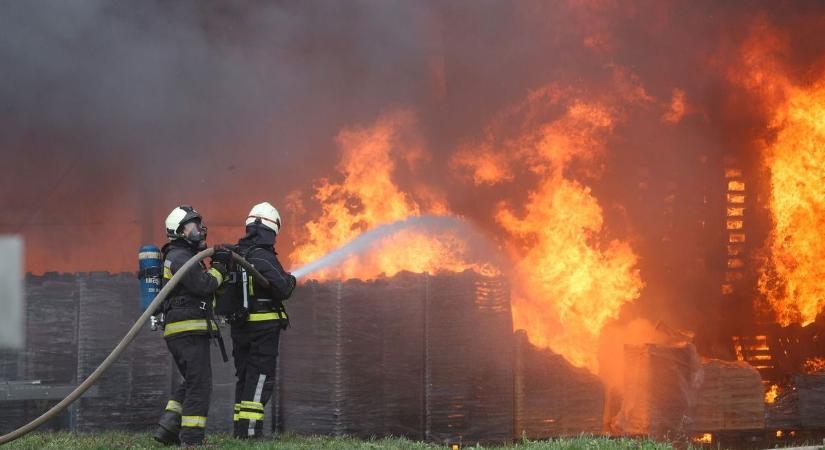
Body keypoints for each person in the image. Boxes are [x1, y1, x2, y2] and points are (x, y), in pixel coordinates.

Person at [153, 205, 231, 446]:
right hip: (187, 331)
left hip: (185, 331)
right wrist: (220, 266)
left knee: (191, 381)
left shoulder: (182, 256)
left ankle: (167, 430)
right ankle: (192, 440)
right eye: (192, 225)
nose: (199, 229)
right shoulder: (179, 257)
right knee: (200, 385)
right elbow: (204, 286)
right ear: (179, 231)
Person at [226, 202, 296, 439]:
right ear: (271, 229)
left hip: (240, 329)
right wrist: (292, 279)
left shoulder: (236, 254)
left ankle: (240, 431)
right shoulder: (263, 257)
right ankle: (250, 434)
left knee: (245, 377)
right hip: (263, 330)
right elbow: (283, 287)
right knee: (260, 378)